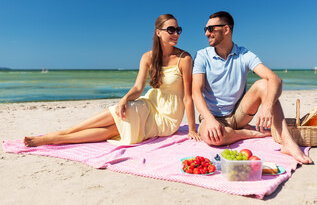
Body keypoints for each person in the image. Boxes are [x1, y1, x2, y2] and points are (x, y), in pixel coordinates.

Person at [24, 14, 200, 147]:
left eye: (178, 30)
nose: (176, 33)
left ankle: (55, 138)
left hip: (168, 117)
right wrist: (124, 98)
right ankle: (64, 133)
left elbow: (187, 97)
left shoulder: (184, 58)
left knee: (120, 125)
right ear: (159, 33)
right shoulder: (147, 57)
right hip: (150, 105)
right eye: (171, 30)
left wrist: (191, 129)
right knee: (122, 114)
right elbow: (138, 87)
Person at [192, 11, 312, 164]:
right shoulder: (202, 56)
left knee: (265, 85)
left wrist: (267, 106)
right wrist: (209, 120)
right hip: (212, 116)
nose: (207, 33)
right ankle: (248, 133)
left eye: (211, 29)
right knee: (213, 138)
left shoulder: (244, 54)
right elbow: (196, 91)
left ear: (226, 29)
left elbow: (275, 79)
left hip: (239, 114)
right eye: (206, 29)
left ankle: (287, 142)